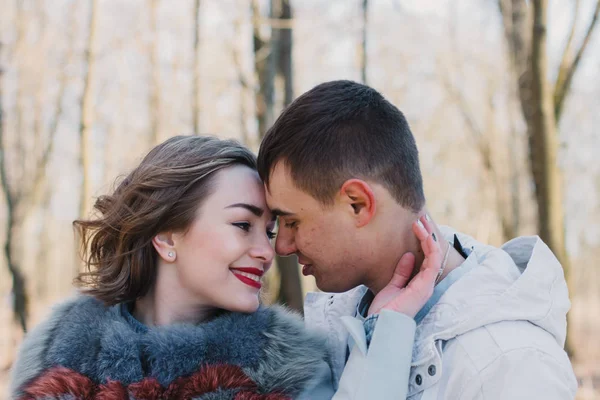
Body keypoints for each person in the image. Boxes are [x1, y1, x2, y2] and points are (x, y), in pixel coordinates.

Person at [10, 135, 439, 399]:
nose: (267, 252)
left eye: (268, 231)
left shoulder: (286, 372)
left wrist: (387, 334)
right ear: (166, 236)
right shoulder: (58, 361)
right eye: (242, 224)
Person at [257, 80, 579, 399]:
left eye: (292, 222)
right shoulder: (339, 333)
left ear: (358, 204)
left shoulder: (512, 369)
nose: (282, 246)